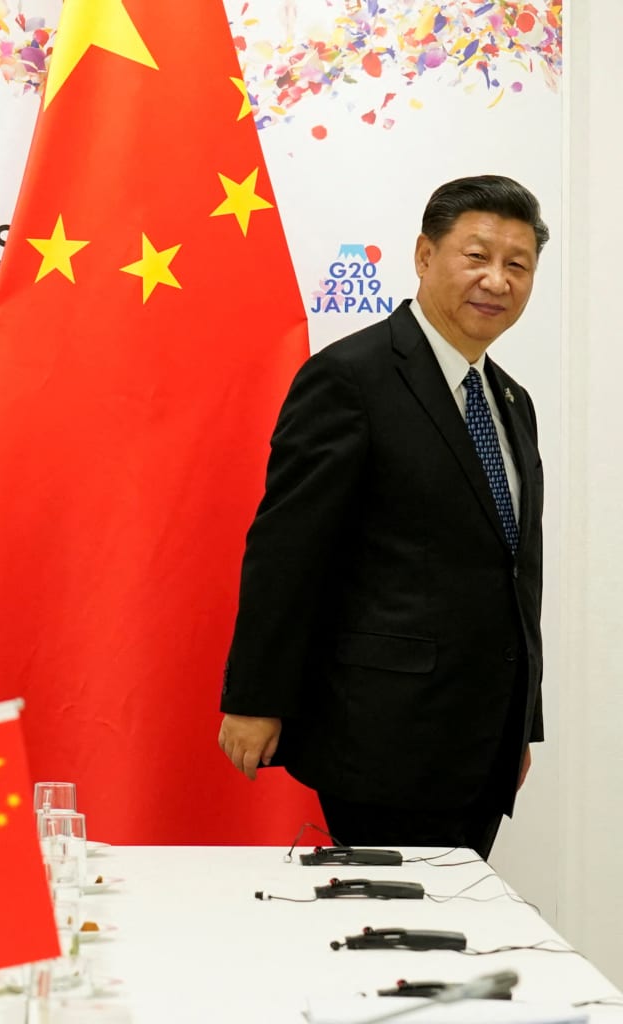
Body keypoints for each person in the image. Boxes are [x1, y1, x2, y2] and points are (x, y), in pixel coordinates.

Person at [218, 175, 548, 859]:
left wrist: (522, 725)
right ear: (425, 257)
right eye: (476, 256)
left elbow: (515, 570)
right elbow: (287, 550)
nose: (497, 280)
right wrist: (255, 698)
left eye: (517, 265)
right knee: (393, 937)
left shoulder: (511, 400)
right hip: (383, 734)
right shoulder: (351, 378)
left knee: (455, 934)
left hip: (483, 743)